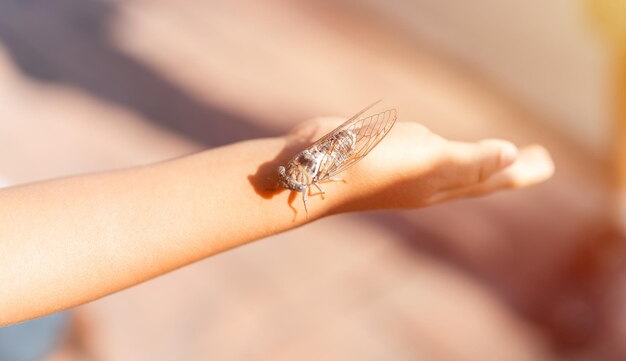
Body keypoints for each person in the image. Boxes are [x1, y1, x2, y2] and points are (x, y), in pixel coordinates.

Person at [0, 115, 553, 327]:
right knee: (37, 325)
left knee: (38, 323)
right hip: (322, 158)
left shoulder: (295, 172)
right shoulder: (294, 179)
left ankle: (48, 327)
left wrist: (309, 155)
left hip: (327, 152)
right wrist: (337, 179)